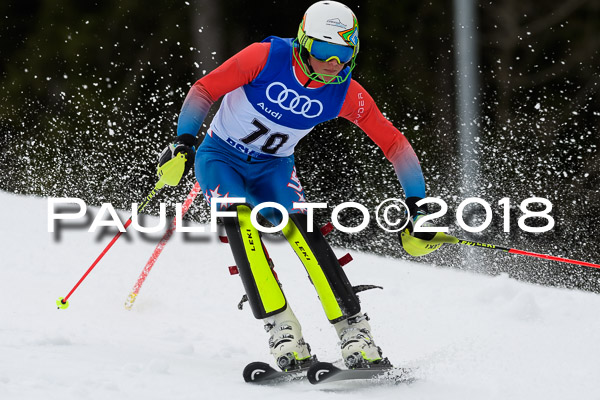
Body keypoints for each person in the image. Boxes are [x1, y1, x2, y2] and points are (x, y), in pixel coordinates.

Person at [158, 0, 452, 371]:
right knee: (241, 223)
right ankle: (281, 329)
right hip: (220, 158)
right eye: (325, 51)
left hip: (274, 167)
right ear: (304, 43)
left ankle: (355, 332)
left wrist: (417, 204)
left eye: (344, 54)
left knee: (304, 231)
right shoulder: (265, 57)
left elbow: (394, 144)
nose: (334, 63)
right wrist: (184, 142)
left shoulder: (345, 92)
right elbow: (204, 89)